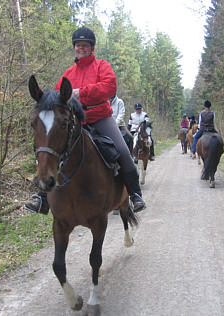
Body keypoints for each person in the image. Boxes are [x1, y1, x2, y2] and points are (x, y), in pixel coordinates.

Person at [24, 26, 146, 214]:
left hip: (100, 118)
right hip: (76, 123)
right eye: (78, 45)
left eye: (85, 45)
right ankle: (42, 198)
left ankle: (135, 194)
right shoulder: (68, 73)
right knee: (51, 149)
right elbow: (57, 99)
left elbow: (109, 87)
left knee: (123, 151)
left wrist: (80, 93)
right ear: (74, 47)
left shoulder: (102, 66)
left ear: (92, 48)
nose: (81, 48)